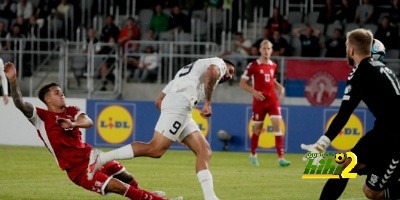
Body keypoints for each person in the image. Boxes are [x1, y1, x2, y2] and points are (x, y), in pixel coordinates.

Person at [3, 62, 183, 200]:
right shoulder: (40, 117)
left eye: (62, 91)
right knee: (120, 187)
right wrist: (13, 81)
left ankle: (145, 195)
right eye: (57, 92)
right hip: (79, 171)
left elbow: (87, 122)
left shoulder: (71, 110)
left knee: (128, 178)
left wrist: (72, 124)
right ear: (48, 99)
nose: (62, 94)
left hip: (93, 157)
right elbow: (20, 103)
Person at [88, 57, 236, 200]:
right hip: (182, 104)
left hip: (182, 107)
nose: (229, 75)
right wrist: (208, 103)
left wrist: (175, 130)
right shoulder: (217, 63)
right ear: (225, 65)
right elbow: (213, 71)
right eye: (230, 71)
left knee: (205, 151)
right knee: (155, 149)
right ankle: (101, 158)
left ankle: (210, 197)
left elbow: (159, 101)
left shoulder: (187, 72)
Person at [301, 29, 400, 199]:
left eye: (346, 46)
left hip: (395, 139)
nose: (346, 50)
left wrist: (321, 145)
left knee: (372, 193)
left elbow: (344, 113)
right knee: (344, 166)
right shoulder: (381, 69)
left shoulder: (361, 73)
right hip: (382, 133)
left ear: (352, 50)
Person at [239, 40, 291, 167]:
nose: (266, 50)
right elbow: (242, 83)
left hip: (272, 100)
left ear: (271, 50)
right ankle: (253, 154)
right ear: (260, 50)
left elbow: (271, 80)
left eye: (269, 48)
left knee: (277, 127)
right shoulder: (253, 66)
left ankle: (281, 158)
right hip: (259, 102)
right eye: (264, 48)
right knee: (257, 130)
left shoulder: (273, 65)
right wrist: (254, 91)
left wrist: (280, 87)